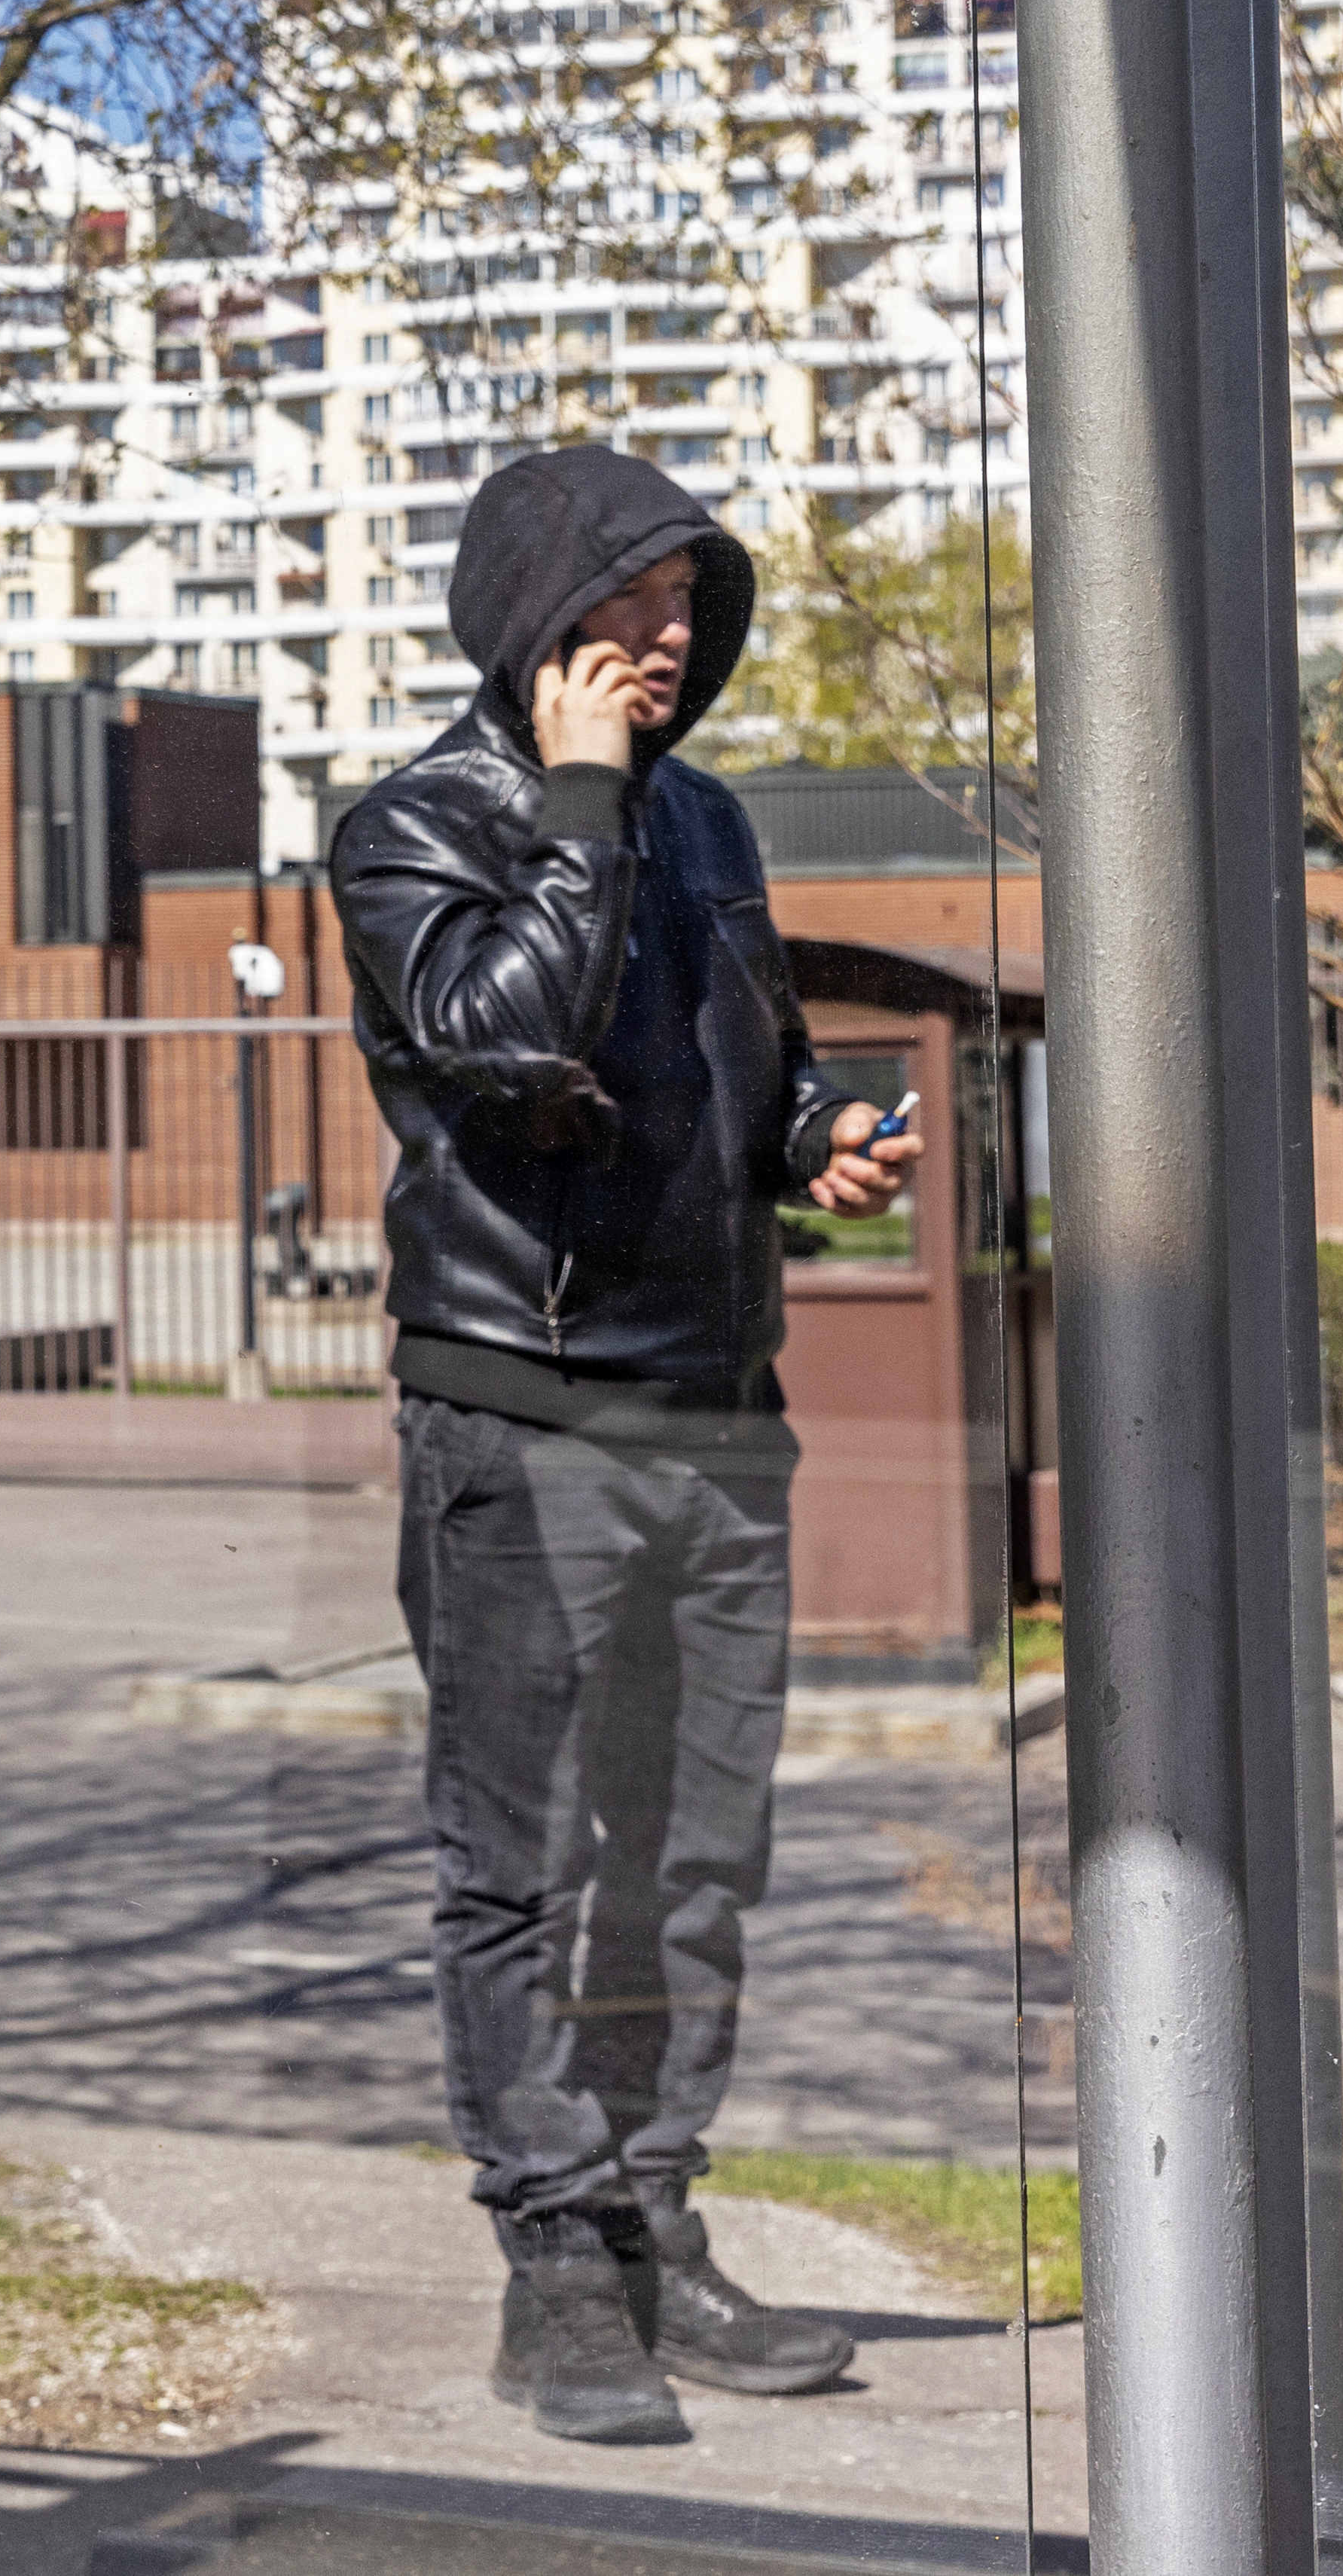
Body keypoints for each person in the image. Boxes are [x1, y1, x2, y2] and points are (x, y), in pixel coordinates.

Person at [326, 448, 924, 2449]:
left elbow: (749, 1066)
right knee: (524, 1864)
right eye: (628, 600)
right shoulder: (414, 825)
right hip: (525, 1415)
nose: (666, 637)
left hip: (715, 1416)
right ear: (530, 612)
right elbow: (509, 1045)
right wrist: (578, 803)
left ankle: (655, 2220)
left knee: (689, 1859)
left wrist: (811, 1137)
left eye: (686, 601)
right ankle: (554, 2266)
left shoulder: (709, 821)